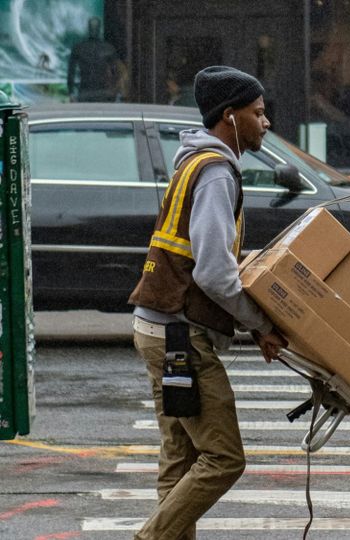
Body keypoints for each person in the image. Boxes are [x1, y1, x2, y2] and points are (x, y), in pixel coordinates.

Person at [128, 65, 287, 540]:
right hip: (181, 334)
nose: (266, 123)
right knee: (223, 458)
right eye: (258, 113)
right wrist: (260, 324)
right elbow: (214, 272)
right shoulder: (217, 172)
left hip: (156, 327)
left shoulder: (192, 162)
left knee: (181, 458)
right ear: (230, 116)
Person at [67, 17, 119, 102]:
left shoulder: (79, 48)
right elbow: (116, 74)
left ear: (88, 29)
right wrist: (116, 92)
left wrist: (71, 93)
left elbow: (71, 73)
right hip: (103, 92)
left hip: (85, 92)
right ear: (99, 29)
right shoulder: (108, 49)